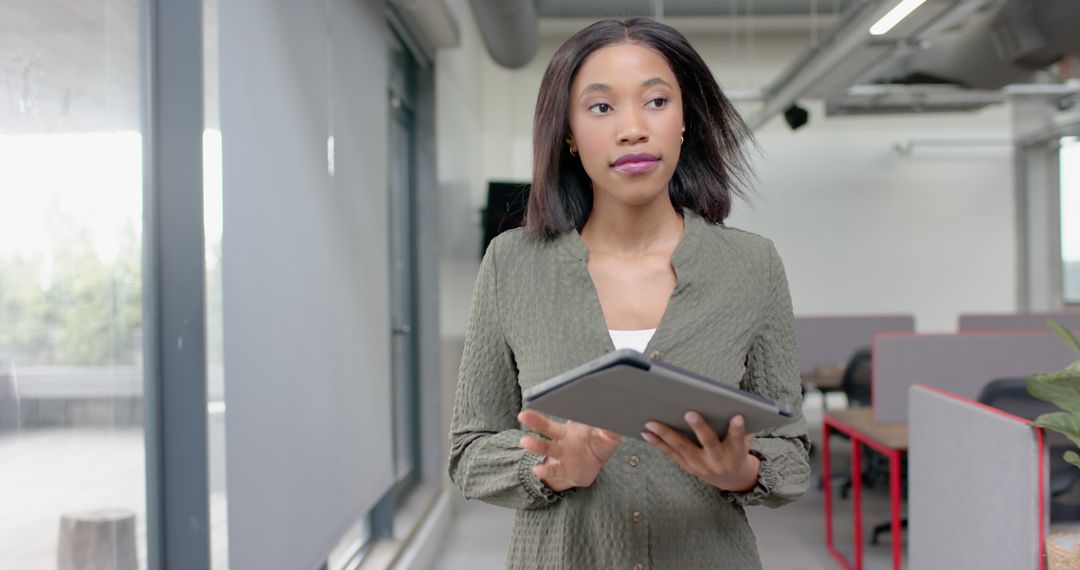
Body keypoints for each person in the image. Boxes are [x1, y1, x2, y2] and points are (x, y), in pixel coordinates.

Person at [448, 17, 810, 570]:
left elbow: (791, 453)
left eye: (657, 101)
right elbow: (469, 452)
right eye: (601, 107)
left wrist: (742, 471)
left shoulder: (751, 265)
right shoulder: (512, 265)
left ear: (685, 119)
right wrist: (551, 467)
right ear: (568, 133)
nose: (633, 129)